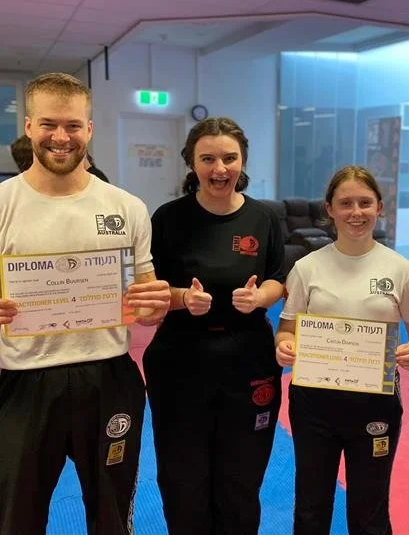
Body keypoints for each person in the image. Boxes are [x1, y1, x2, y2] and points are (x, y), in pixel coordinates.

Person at [0, 72, 171, 534]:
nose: (61, 137)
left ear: (89, 129)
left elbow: (146, 303)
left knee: (112, 518)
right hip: (24, 382)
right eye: (48, 124)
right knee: (13, 520)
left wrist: (154, 306)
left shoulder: (127, 208)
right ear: (28, 126)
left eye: (73, 125)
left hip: (108, 377)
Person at [144, 116, 285, 534]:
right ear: (191, 162)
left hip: (248, 358)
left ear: (243, 161)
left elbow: (278, 278)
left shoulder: (263, 218)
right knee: (183, 475)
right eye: (207, 159)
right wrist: (181, 298)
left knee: (242, 473)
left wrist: (261, 298)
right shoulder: (168, 218)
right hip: (181, 358)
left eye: (229, 158)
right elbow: (149, 289)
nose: (219, 168)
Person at [275, 165, 409, 534]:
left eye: (365, 203)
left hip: (375, 401)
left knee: (369, 506)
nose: (356, 212)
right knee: (311, 504)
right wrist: (284, 345)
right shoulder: (306, 268)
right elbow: (286, 329)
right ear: (329, 209)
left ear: (380, 207)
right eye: (346, 203)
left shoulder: (401, 269)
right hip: (314, 401)